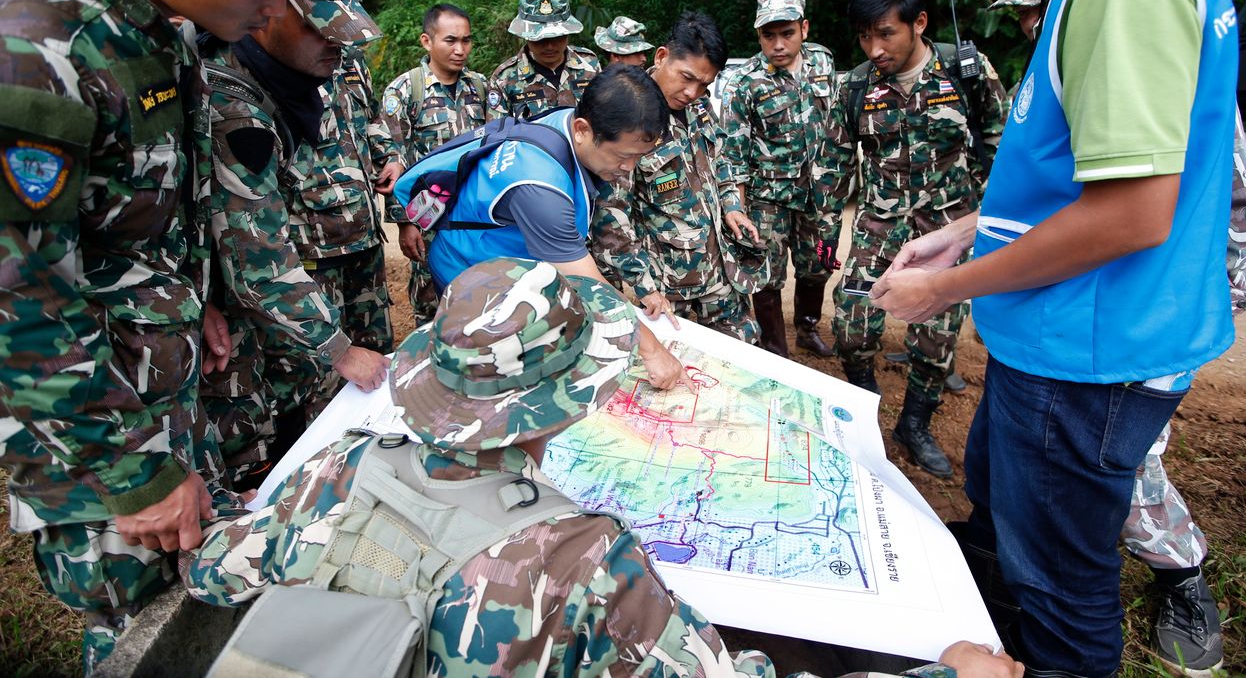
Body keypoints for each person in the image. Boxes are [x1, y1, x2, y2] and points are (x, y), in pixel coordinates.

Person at [184, 257, 1023, 678]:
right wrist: (947, 672)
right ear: (564, 399)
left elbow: (221, 570)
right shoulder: (577, 559)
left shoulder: (342, 462)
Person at [876, 0, 1240, 674]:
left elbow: (1132, 214)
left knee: (1061, 593)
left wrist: (948, 288)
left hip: (1089, 353)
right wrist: (974, 227)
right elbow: (1089, 167)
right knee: (1009, 530)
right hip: (1067, 337)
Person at [0, 0, 306, 668]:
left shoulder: (160, 27)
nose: (277, 11)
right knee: (140, 634)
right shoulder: (34, 46)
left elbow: (146, 205)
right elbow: (17, 302)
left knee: (193, 599)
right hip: (95, 437)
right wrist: (130, 471)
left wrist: (196, 296)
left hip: (166, 389)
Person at [199, 0, 393, 489]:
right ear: (269, 7)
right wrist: (337, 349)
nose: (337, 40)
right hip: (242, 333)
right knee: (279, 455)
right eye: (319, 25)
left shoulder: (291, 80)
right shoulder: (234, 104)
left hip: (325, 270)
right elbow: (254, 261)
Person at [834, 0, 1005, 480]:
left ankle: (914, 423)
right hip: (879, 223)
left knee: (936, 337)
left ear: (919, 23)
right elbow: (837, 157)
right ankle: (863, 410)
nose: (874, 48)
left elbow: (1000, 142)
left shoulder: (965, 72)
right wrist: (825, 233)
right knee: (852, 324)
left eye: (885, 33)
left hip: (947, 224)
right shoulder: (858, 85)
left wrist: (982, 216)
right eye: (864, 36)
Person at [427, 64, 690, 393]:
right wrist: (652, 351)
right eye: (624, 156)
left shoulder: (569, 122)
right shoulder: (540, 189)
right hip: (473, 276)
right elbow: (587, 284)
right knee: (500, 380)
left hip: (512, 262)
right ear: (582, 129)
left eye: (639, 157)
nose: (628, 169)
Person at [259, 0, 402, 423]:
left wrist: (388, 156)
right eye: (322, 24)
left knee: (376, 362)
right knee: (315, 383)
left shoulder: (347, 60)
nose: (334, 41)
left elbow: (371, 118)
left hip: (360, 233)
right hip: (306, 252)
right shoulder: (245, 85)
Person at [593, 12, 764, 344]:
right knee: (678, 376)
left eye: (704, 85)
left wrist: (732, 206)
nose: (692, 92)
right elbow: (610, 217)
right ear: (661, 57)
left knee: (739, 359)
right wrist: (643, 286)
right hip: (669, 289)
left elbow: (722, 157)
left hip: (721, 273)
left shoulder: (698, 107)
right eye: (686, 77)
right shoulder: (628, 114)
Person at [721, 0, 844, 357]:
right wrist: (737, 208)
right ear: (758, 36)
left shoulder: (823, 62)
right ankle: (776, 348)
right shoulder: (745, 82)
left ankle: (807, 329)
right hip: (768, 200)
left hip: (817, 196)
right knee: (768, 275)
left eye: (787, 33)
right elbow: (733, 153)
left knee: (817, 266)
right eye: (768, 36)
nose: (777, 44)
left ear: (804, 29)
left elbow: (838, 126)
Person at [382, 3, 488, 325]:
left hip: (476, 218)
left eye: (466, 41)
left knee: (482, 302)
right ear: (427, 41)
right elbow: (390, 159)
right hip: (428, 221)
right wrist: (404, 222)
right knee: (431, 311)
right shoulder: (404, 91)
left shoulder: (482, 88)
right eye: (451, 41)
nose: (460, 50)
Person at [487, 0, 601, 119]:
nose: (549, 46)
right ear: (526, 35)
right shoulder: (505, 78)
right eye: (540, 39)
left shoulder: (589, 64)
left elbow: (604, 118)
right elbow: (498, 135)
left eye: (558, 37)